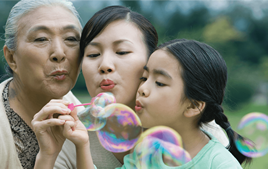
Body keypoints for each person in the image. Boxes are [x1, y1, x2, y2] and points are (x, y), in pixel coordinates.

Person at [32, 5, 230, 169]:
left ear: (152, 59)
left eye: (122, 51)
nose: (105, 65)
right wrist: (48, 155)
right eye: (92, 55)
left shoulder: (202, 138)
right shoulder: (70, 135)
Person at [61, 39, 253, 169]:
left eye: (160, 82)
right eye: (144, 78)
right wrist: (82, 144)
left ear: (193, 106)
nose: (142, 88)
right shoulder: (146, 152)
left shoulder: (218, 164)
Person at [0, 0, 84, 168]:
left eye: (71, 38)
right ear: (12, 58)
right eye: (41, 39)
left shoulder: (85, 118)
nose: (59, 52)